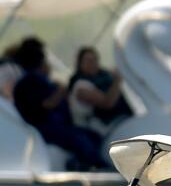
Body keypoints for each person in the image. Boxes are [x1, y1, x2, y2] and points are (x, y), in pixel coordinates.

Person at [11, 39, 107, 170]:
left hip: (59, 125)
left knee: (93, 136)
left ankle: (79, 161)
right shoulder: (30, 81)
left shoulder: (37, 81)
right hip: (45, 127)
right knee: (80, 140)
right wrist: (60, 91)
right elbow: (45, 105)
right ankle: (95, 165)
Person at [67, 46, 133, 137]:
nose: (92, 63)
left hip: (125, 118)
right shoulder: (80, 86)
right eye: (88, 60)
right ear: (80, 64)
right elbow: (107, 103)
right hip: (107, 129)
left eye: (94, 59)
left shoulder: (104, 74)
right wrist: (117, 80)